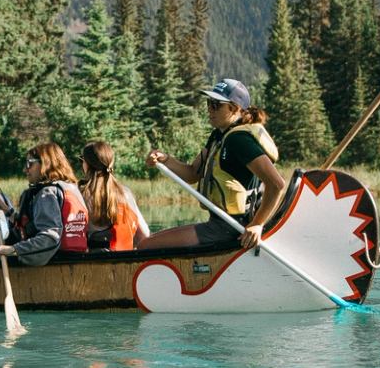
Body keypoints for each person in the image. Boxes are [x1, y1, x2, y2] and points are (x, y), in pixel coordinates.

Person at [141, 78, 286, 251]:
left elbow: (276, 184)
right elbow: (193, 173)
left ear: (234, 108)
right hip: (220, 223)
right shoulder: (219, 135)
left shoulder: (238, 140)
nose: (210, 109)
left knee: (146, 245)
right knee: (149, 241)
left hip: (232, 228)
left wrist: (257, 224)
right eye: (209, 103)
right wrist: (165, 159)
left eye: (216, 105)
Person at [7, 142, 89, 266]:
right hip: (76, 261)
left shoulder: (47, 193)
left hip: (53, 264)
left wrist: (14, 250)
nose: (25, 169)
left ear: (45, 163)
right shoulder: (71, 188)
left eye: (30, 163)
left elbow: (50, 237)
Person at [80, 140, 150, 251]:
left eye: (82, 160)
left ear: (87, 164)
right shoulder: (125, 193)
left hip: (91, 262)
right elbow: (144, 235)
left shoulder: (80, 194)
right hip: (123, 259)